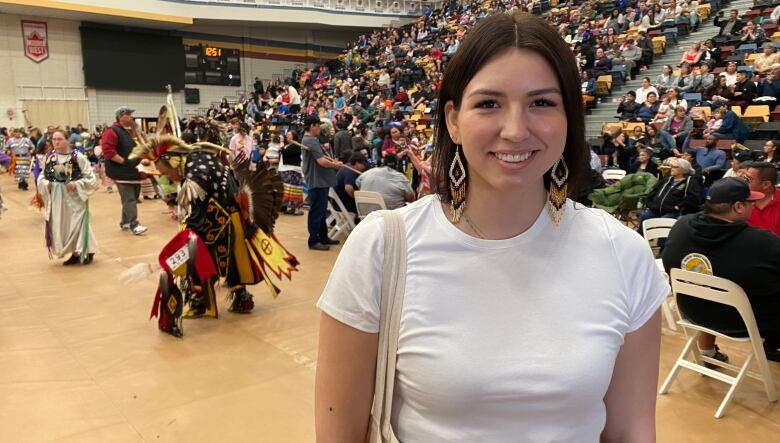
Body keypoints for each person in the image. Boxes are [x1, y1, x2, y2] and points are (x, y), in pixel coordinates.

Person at [315, 13, 667, 442]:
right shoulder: (381, 248)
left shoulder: (623, 255)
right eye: (488, 103)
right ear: (452, 120)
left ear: (569, 117)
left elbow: (631, 429)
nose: (516, 130)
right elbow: (340, 432)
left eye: (542, 103)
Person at [130, 135, 299, 337]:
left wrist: (187, 235)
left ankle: (212, 300)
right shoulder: (194, 161)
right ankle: (226, 297)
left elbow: (198, 212)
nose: (167, 177)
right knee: (223, 257)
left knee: (214, 256)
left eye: (166, 172)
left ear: (174, 162)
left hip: (224, 217)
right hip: (223, 215)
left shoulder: (195, 172)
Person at [662, 177, 780, 363]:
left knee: (711, 283)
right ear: (739, 207)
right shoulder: (763, 242)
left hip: (691, 311)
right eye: (751, 202)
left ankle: (707, 351)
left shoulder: (681, 225)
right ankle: (774, 345)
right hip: (741, 322)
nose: (754, 206)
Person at [37, 129, 98, 265]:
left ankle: (85, 250)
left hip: (75, 197)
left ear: (67, 140)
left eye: (60, 139)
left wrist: (77, 184)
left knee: (78, 224)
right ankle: (74, 252)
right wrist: (47, 184)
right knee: (64, 225)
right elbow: (42, 175)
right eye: (54, 139)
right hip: (57, 198)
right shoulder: (50, 157)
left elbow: (91, 179)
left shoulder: (78, 157)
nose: (56, 142)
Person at [99, 106, 148, 235]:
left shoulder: (130, 131)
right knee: (130, 199)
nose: (131, 117)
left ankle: (125, 222)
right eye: (129, 114)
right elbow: (108, 152)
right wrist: (125, 162)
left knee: (132, 197)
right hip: (122, 172)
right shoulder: (112, 131)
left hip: (133, 170)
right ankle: (134, 224)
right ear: (121, 116)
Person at [302, 116, 343, 251]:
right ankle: (313, 240)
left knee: (321, 210)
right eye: (318, 126)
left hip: (320, 181)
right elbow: (321, 161)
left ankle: (323, 236)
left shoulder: (311, 140)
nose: (319, 128)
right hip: (317, 181)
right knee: (317, 212)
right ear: (312, 126)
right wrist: (335, 165)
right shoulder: (311, 141)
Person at [639, 157, 701, 231]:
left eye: (675, 167)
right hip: (656, 209)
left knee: (664, 221)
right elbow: (654, 190)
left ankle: (661, 242)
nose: (672, 168)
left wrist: (678, 206)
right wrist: (649, 202)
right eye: (671, 167)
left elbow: (693, 198)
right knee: (645, 216)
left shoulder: (690, 182)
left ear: (684, 169)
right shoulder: (667, 179)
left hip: (673, 212)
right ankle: (641, 239)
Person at [741, 162, 780, 236]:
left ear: (765, 184)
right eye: (744, 178)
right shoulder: (738, 199)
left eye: (748, 179)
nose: (743, 182)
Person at [278, 131, 304, 216]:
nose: (286, 136)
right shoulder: (288, 145)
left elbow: (284, 152)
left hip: (293, 171)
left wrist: (281, 142)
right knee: (288, 191)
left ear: (294, 136)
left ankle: (297, 208)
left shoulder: (296, 145)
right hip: (285, 169)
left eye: (289, 135)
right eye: (287, 135)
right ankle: (291, 208)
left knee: (294, 190)